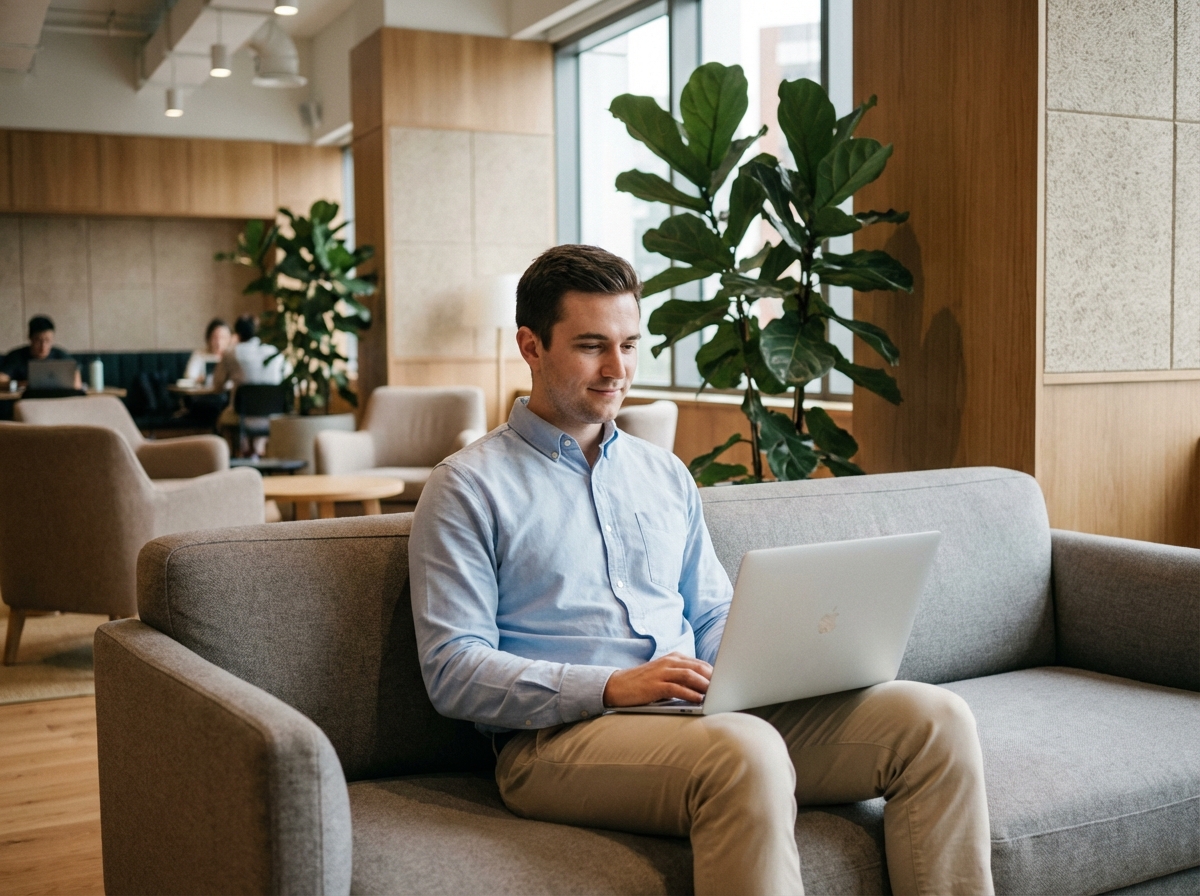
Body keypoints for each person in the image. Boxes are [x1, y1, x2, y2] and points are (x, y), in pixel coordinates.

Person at [410, 245, 994, 896]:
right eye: (591, 346)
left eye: (630, 345)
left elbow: (712, 611)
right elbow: (453, 669)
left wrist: (778, 665)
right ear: (531, 346)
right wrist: (611, 686)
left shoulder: (663, 473)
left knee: (934, 720)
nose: (617, 369)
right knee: (745, 752)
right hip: (556, 742)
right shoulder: (466, 487)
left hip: (700, 715)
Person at [214, 314, 288, 456]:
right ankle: (256, 451)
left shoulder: (231, 352)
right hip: (274, 417)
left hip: (243, 417)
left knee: (223, 420)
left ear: (237, 333)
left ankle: (236, 457)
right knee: (255, 410)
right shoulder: (274, 352)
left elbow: (218, 386)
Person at [0, 315, 81, 389]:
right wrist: (20, 384)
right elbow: (1, 380)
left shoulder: (61, 356)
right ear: (30, 338)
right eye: (38, 341)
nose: (43, 346)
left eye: (48, 340)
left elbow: (77, 382)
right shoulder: (16, 356)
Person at [184, 318, 232, 385]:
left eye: (223, 337)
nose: (219, 342)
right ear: (208, 338)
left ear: (230, 339)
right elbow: (190, 375)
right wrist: (202, 379)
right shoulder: (200, 355)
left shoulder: (233, 356)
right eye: (215, 338)